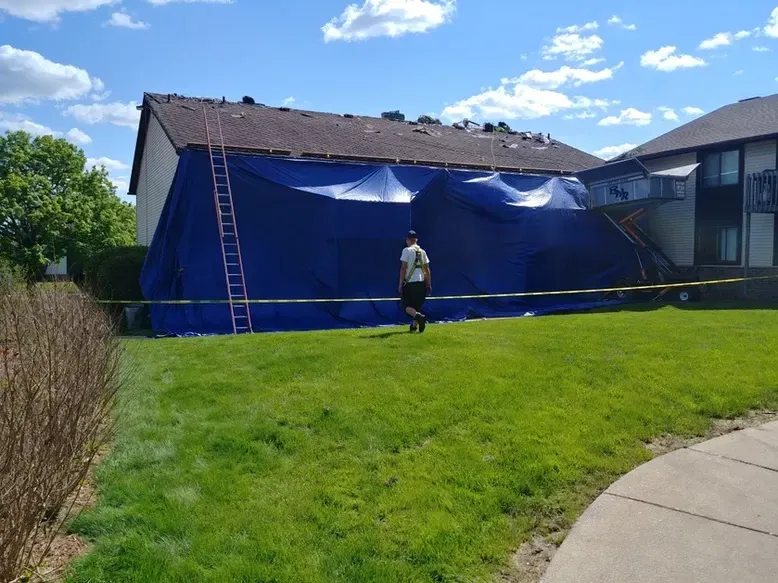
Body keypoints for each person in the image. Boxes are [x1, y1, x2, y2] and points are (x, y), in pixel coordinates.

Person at [399, 230, 431, 333]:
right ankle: (414, 326)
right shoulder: (423, 251)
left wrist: (400, 283)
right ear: (416, 240)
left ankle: (419, 317)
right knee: (417, 306)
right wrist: (428, 283)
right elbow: (427, 269)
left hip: (410, 282)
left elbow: (403, 268)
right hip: (421, 282)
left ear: (408, 240)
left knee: (406, 306)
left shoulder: (406, 250)